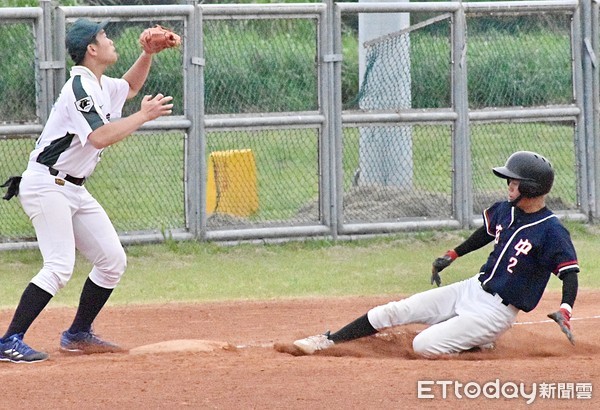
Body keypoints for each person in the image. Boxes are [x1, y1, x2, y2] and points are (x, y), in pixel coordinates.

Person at [0, 19, 174, 363]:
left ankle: (78, 334)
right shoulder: (79, 87)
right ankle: (9, 340)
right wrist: (143, 117)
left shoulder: (97, 83)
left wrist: (147, 53)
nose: (110, 41)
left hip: (72, 187)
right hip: (47, 184)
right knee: (60, 265)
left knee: (112, 261)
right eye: (104, 36)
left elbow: (128, 88)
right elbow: (100, 136)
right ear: (91, 50)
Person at [294, 151, 579, 357]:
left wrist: (565, 310)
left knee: (423, 346)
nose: (509, 186)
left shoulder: (552, 231)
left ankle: (474, 343)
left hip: (495, 313)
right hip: (472, 288)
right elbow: (485, 234)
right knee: (395, 310)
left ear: (531, 188)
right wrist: (452, 254)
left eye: (514, 182)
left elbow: (569, 274)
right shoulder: (507, 209)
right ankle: (328, 341)